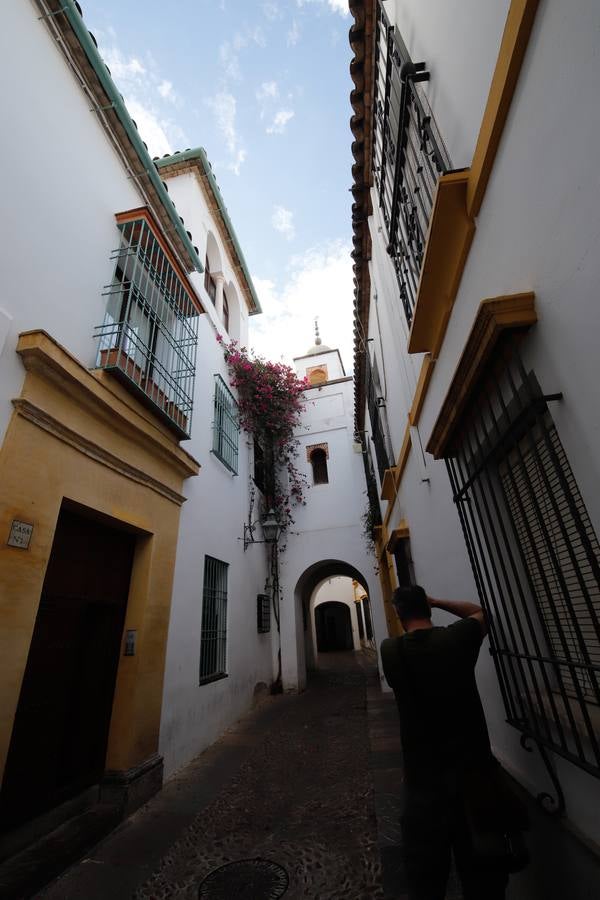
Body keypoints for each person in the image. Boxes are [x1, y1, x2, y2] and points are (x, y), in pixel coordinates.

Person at [380, 585, 519, 900]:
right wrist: (439, 601)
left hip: (423, 780)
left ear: (398, 612)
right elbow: (480, 613)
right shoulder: (458, 640)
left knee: (426, 878)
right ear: (427, 608)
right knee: (485, 878)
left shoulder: (391, 652)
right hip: (474, 779)